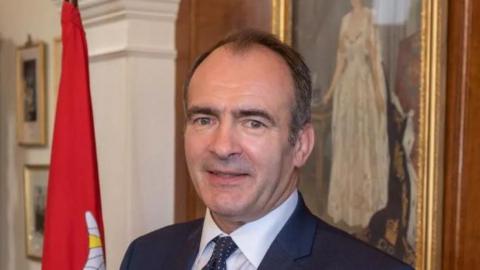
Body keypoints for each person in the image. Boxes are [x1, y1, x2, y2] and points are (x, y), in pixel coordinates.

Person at [120, 29, 412, 270]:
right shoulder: (145, 257)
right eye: (204, 119)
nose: (222, 147)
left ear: (301, 145)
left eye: (254, 123)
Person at [322, 0, 390, 229]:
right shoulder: (345, 21)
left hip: (365, 89)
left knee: (364, 140)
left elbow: (374, 59)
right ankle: (347, 204)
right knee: (348, 142)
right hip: (347, 91)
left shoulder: (370, 17)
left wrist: (380, 93)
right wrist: (330, 92)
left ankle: (366, 207)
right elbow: (340, 61)